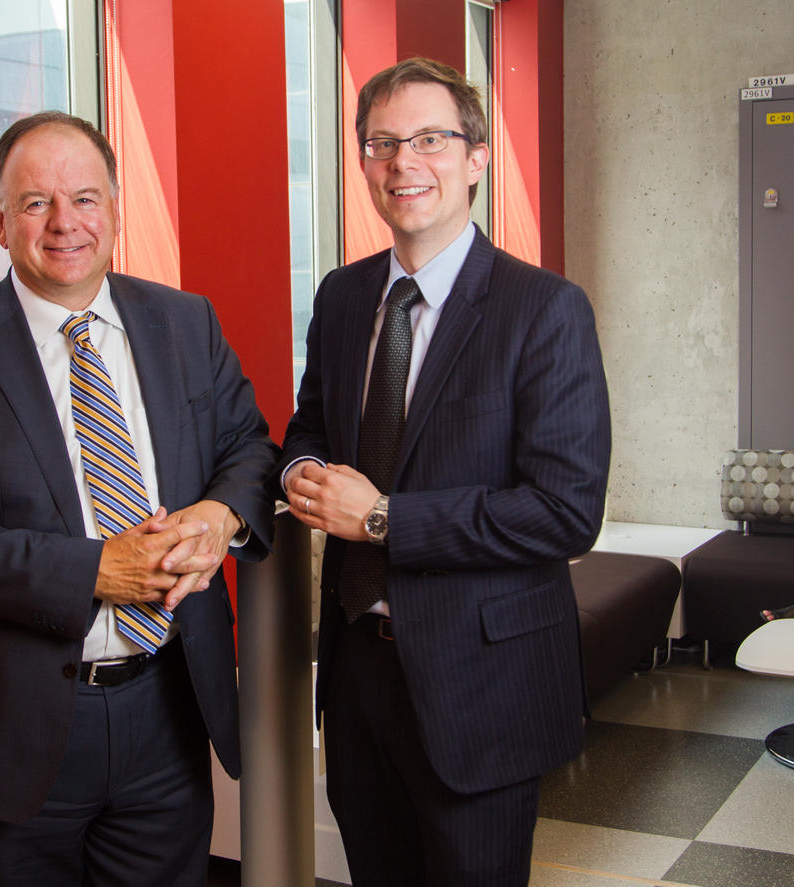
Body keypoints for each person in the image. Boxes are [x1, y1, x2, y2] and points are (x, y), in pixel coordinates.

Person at [0, 110, 276, 886]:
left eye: (86, 198)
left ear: (117, 209)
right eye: (35, 203)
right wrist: (96, 571)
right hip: (9, 725)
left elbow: (251, 447)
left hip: (165, 708)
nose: (65, 223)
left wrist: (219, 513)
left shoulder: (186, 321)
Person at [278, 58, 611, 885]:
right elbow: (310, 427)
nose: (403, 163)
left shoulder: (544, 309)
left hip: (482, 683)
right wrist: (305, 471)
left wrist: (383, 517)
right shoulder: (344, 297)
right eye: (382, 143)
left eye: (430, 138)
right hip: (357, 672)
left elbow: (565, 512)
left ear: (476, 157)